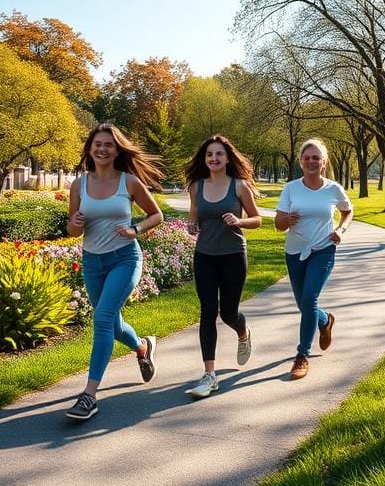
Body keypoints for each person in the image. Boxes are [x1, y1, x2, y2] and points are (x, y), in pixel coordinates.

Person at [64, 122, 164, 420]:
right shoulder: (78, 185)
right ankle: (142, 347)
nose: (103, 149)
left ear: (117, 149)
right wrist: (76, 223)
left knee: (103, 317)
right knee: (113, 322)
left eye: (108, 144)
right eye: (98, 144)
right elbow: (71, 229)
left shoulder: (129, 182)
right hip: (92, 261)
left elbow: (156, 214)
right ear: (90, 149)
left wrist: (136, 229)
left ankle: (89, 395)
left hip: (124, 258)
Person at [183, 135, 262, 399]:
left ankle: (243, 331)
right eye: (209, 155)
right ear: (204, 160)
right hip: (204, 255)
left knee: (228, 313)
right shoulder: (196, 186)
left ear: (228, 158)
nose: (213, 159)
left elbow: (257, 219)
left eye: (218, 154)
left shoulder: (239, 187)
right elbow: (194, 218)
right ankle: (209, 375)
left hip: (233, 255)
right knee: (207, 312)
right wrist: (191, 226)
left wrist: (240, 222)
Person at [274, 139, 353, 380]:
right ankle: (324, 320)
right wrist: (288, 220)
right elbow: (278, 224)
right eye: (307, 157)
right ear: (301, 162)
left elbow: (348, 211)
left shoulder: (333, 189)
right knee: (304, 305)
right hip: (295, 251)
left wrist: (340, 230)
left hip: (323, 249)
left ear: (323, 163)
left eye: (316, 158)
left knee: (309, 299)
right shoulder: (291, 189)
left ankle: (302, 356)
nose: (311, 161)